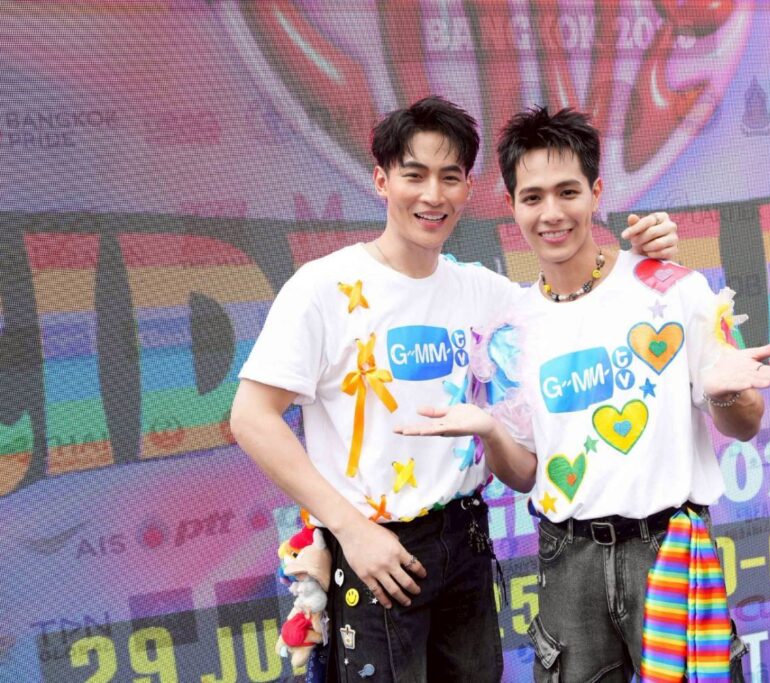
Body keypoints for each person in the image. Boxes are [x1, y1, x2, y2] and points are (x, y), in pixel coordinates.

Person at [230, 96, 682, 682]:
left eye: (449, 177)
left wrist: (642, 257)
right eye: (414, 175)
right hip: (373, 551)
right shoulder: (323, 287)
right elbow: (251, 418)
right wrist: (352, 531)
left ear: (469, 188)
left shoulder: (485, 292)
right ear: (381, 180)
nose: (432, 195)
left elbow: (574, 302)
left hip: (465, 543)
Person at [396, 106, 770, 682]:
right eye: (533, 198)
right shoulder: (510, 332)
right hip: (568, 559)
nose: (552, 214)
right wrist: (489, 431)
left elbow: (745, 424)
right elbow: (527, 473)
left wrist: (724, 395)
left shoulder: (670, 288)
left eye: (568, 192)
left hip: (670, 550)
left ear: (596, 192)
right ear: (511, 205)